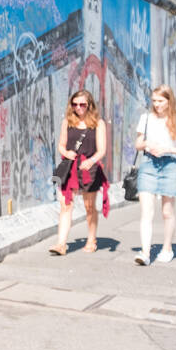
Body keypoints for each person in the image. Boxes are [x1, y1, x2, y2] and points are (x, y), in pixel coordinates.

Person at [133, 85, 176, 265]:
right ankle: (145, 253)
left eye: (160, 101)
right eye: (154, 101)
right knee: (146, 211)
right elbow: (137, 144)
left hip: (170, 165)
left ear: (169, 101)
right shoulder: (145, 118)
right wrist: (147, 143)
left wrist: (168, 148)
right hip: (148, 164)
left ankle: (167, 248)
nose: (156, 104)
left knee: (167, 212)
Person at [49, 89, 109, 255]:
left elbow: (102, 149)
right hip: (70, 167)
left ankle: (91, 239)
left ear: (89, 105)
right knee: (65, 205)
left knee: (89, 206)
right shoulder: (68, 121)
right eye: (75, 104)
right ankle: (61, 244)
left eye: (82, 104)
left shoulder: (98, 123)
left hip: (90, 168)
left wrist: (90, 161)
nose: (78, 107)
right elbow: (61, 144)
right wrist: (66, 152)